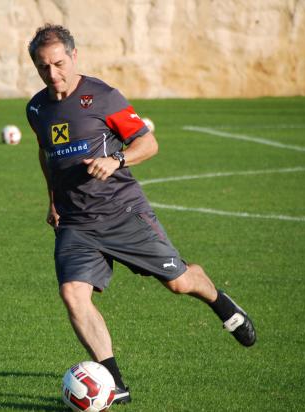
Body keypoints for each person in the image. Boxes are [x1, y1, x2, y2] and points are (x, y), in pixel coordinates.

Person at [25, 24, 256, 405]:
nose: (53, 74)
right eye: (43, 67)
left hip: (122, 213)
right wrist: (52, 199)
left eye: (59, 64)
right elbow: (46, 152)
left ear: (74, 55)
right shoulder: (37, 108)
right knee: (72, 294)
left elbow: (148, 143)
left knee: (179, 283)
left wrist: (115, 160)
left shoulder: (102, 96)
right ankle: (114, 383)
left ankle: (221, 302)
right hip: (75, 221)